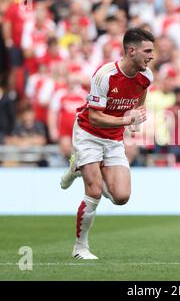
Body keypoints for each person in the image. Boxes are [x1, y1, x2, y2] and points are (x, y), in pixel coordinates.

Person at [60, 28, 155, 260]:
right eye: (147, 51)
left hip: (113, 139)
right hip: (88, 133)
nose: (151, 56)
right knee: (94, 191)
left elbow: (139, 100)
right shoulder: (105, 75)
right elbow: (94, 116)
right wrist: (126, 120)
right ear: (131, 51)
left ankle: (79, 168)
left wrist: (135, 120)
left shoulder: (146, 76)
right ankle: (80, 247)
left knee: (121, 197)